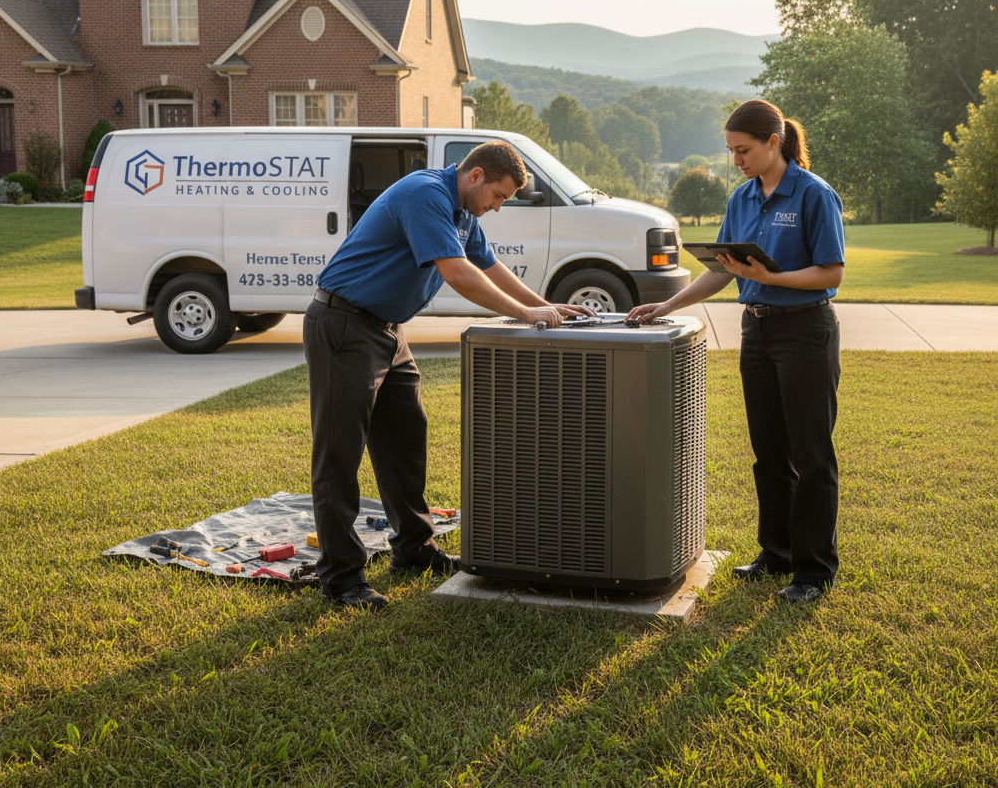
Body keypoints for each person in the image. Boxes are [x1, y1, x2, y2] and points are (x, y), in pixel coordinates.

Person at [304, 140, 592, 611]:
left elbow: (489, 265)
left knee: (406, 435)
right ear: (475, 175)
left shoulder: (464, 214)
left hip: (385, 330)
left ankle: (414, 550)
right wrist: (524, 314)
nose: (497, 207)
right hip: (343, 325)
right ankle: (341, 578)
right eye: (498, 196)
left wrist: (542, 305)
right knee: (339, 453)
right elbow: (457, 273)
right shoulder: (426, 195)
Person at [628, 99, 844, 604]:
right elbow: (723, 269)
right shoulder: (742, 198)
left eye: (743, 150)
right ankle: (777, 554)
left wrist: (772, 277)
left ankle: (813, 572)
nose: (736, 161)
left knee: (811, 455)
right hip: (758, 332)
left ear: (775, 143)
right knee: (768, 452)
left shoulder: (813, 195)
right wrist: (667, 305)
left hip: (806, 331)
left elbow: (831, 273)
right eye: (731, 152)